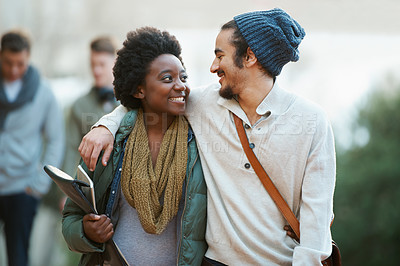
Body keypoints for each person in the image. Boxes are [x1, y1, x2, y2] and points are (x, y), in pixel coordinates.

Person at [79, 8, 336, 265]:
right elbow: (146, 97)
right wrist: (105, 126)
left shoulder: (312, 121)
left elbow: (317, 221)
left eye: (220, 56)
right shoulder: (205, 103)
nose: (213, 67)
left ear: (249, 57)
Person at [62, 27, 207, 266]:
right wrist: (86, 232)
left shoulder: (198, 144)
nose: (180, 85)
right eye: (167, 79)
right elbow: (71, 217)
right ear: (139, 89)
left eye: (183, 77)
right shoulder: (108, 143)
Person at [0, 29, 64, 266]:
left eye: (20, 63)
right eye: (8, 62)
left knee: (18, 258)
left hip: (23, 189)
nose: (14, 69)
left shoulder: (44, 93)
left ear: (28, 58)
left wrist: (40, 184)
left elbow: (56, 139)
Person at [62, 36, 119, 176]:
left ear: (115, 63)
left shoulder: (130, 102)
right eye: (93, 65)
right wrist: (66, 190)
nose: (96, 71)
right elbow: (71, 149)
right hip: (91, 186)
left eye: (101, 64)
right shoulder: (79, 105)